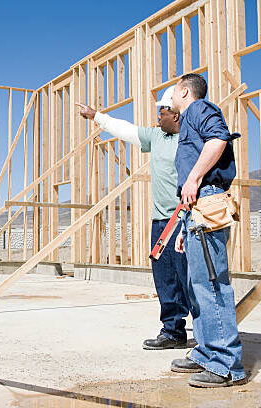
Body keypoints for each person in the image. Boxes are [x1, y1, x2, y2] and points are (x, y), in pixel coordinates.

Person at [76, 86, 190, 350]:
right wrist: (96, 116)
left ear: (175, 115)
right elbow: (125, 129)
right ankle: (173, 331)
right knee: (165, 278)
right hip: (161, 222)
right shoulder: (156, 137)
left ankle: (208, 337)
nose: (157, 118)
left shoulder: (190, 140)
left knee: (190, 278)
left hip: (184, 220)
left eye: (161, 112)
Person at [169, 73, 246, 387]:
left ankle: (225, 365)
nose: (170, 98)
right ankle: (205, 354)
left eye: (173, 92)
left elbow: (218, 139)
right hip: (195, 211)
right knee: (196, 286)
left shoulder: (199, 109)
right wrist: (182, 228)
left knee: (212, 285)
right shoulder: (188, 119)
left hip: (207, 202)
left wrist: (193, 178)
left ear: (185, 91)